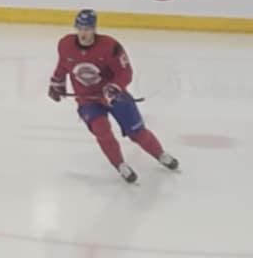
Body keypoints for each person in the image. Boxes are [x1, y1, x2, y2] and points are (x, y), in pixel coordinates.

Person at [48, 9, 179, 184]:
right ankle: (120, 164)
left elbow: (125, 73)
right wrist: (57, 83)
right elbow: (63, 65)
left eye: (87, 29)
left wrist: (113, 88)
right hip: (88, 100)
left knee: (137, 133)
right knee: (101, 130)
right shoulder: (65, 45)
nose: (83, 33)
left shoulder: (110, 46)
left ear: (94, 29)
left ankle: (160, 154)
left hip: (116, 97)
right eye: (80, 28)